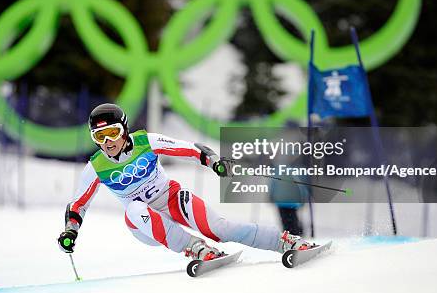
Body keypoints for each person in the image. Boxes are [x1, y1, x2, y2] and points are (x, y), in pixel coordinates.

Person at [57, 103, 316, 261]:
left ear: (124, 130)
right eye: (99, 136)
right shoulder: (96, 167)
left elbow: (193, 149)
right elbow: (78, 206)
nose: (107, 142)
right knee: (133, 208)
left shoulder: (147, 142)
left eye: (112, 132)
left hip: (170, 199)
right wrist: (70, 231)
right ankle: (195, 248)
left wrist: (214, 161)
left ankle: (285, 241)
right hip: (143, 224)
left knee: (220, 229)